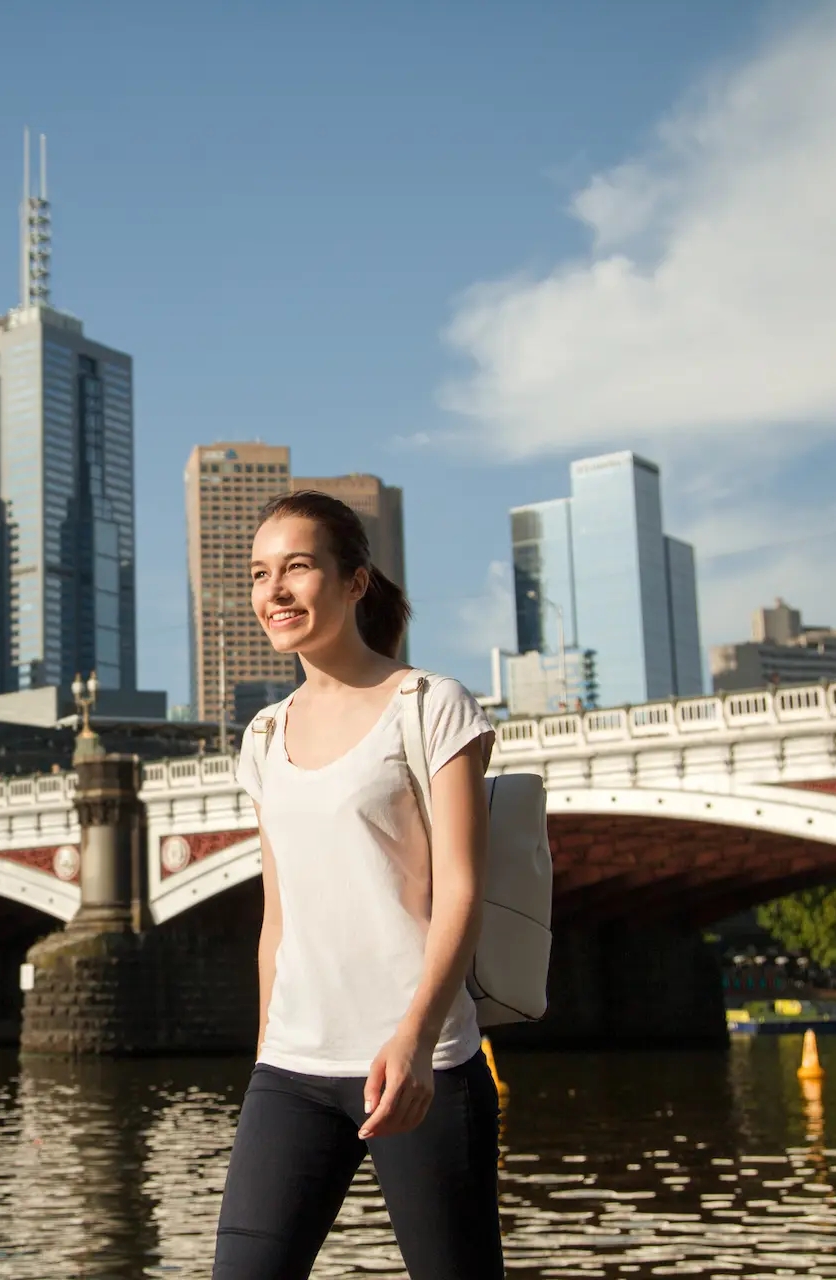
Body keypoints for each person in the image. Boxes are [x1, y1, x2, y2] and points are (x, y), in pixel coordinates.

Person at [215, 491, 503, 1279]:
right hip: (292, 1071)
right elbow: (279, 916)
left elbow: (463, 892)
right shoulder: (263, 737)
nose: (274, 591)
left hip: (421, 1064)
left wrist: (413, 1040)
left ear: (354, 582)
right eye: (259, 574)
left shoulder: (431, 706)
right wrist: (267, 1047)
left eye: (298, 568)